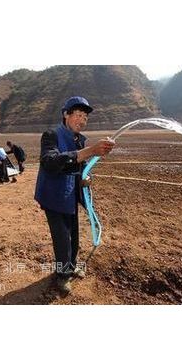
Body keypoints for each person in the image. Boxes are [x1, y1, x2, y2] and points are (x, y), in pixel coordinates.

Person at [34, 96, 115, 294]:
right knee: (62, 238)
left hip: (70, 194)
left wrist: (83, 178)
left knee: (74, 235)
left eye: (85, 117)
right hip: (54, 196)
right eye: (78, 115)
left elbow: (81, 167)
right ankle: (62, 275)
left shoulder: (80, 140)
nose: (82, 120)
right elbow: (50, 162)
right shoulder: (51, 135)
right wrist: (90, 151)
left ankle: (71, 265)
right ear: (66, 115)